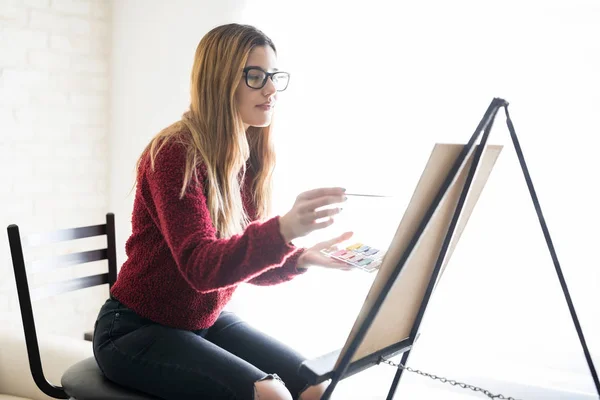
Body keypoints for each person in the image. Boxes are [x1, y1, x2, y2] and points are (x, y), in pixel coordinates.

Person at [92, 23, 353, 400]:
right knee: (272, 396)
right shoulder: (173, 153)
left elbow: (239, 262)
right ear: (220, 80)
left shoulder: (246, 156)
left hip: (202, 322)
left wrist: (303, 258)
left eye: (273, 76)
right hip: (133, 330)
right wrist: (283, 230)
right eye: (255, 76)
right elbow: (203, 268)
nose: (271, 89)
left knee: (316, 386)